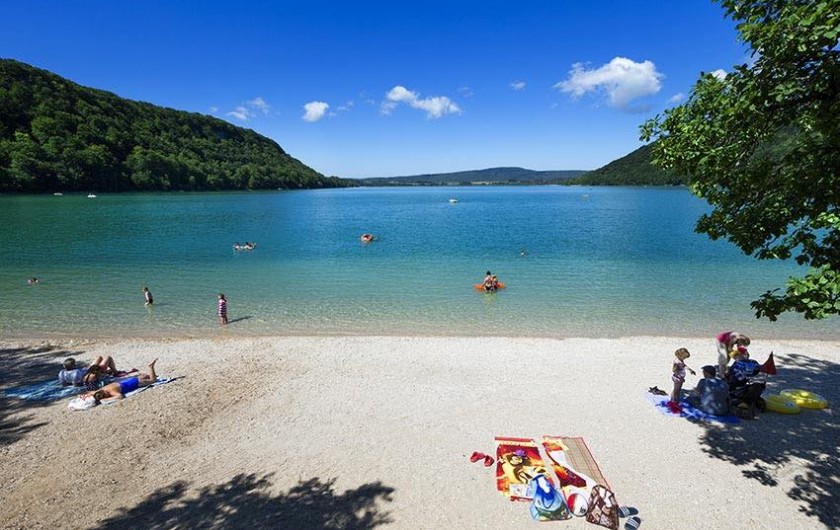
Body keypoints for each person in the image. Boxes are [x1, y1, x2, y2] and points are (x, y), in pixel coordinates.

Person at [80, 358, 158, 405]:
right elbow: (91, 392)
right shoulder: (102, 389)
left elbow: (120, 396)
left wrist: (106, 399)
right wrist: (86, 395)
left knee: (153, 380)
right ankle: (146, 374)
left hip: (135, 383)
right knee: (145, 377)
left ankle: (151, 367)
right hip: (129, 380)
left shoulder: (111, 392)